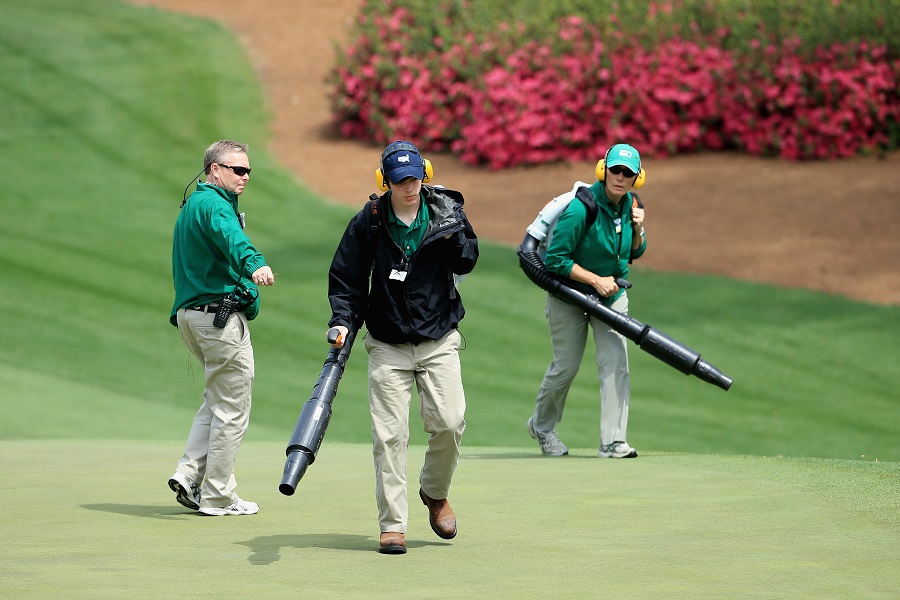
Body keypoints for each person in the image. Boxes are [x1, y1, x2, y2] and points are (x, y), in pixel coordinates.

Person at [327, 140, 478, 554]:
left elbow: (468, 260)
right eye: (399, 181)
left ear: (424, 175)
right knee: (389, 437)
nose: (409, 187)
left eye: (414, 178)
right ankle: (393, 525)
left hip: (439, 337)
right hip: (387, 343)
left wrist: (453, 235)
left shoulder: (446, 209)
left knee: (450, 422)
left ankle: (434, 491)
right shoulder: (370, 221)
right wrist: (341, 321)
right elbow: (346, 277)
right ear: (386, 181)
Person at [167, 140, 275, 516]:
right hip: (217, 318)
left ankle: (188, 473)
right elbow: (235, 241)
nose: (245, 177)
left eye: (248, 170)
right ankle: (217, 496)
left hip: (191, 317)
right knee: (232, 408)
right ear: (214, 169)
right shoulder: (214, 204)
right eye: (237, 169)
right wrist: (255, 264)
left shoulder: (194, 204)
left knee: (215, 401)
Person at [527, 143, 647, 459]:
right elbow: (555, 259)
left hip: (612, 296)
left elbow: (634, 252)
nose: (620, 177)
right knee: (565, 366)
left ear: (637, 178)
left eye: (627, 173)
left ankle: (613, 441)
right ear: (603, 169)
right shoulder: (582, 208)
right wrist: (595, 280)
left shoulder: (631, 206)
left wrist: (638, 229)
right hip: (569, 295)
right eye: (615, 170)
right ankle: (541, 427)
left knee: (615, 365)